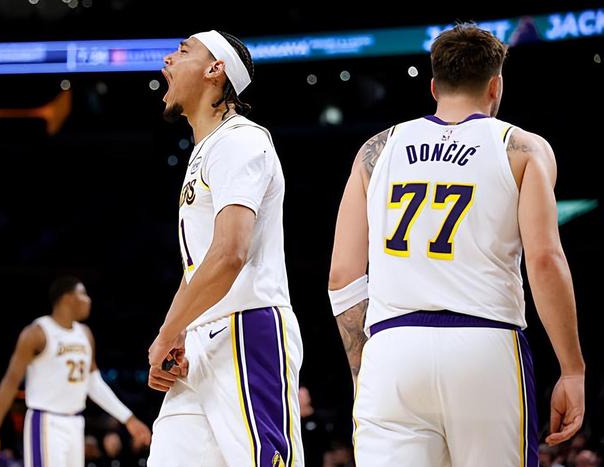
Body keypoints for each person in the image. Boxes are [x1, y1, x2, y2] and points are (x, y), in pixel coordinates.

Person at [328, 23, 585, 466]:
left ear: (433, 86)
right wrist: (572, 368)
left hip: (392, 349)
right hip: (484, 344)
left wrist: (363, 369)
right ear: (495, 85)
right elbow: (544, 260)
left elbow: (342, 275)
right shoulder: (522, 148)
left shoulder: (377, 149)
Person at [147, 30, 304, 466]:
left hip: (246, 328)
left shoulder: (240, 140)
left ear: (215, 70)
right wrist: (176, 330)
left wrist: (166, 333)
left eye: (182, 51)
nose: (167, 59)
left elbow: (229, 253)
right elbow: (198, 266)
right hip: (202, 341)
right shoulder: (207, 148)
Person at [0, 276, 151, 467]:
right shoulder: (37, 333)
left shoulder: (85, 334)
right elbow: (10, 381)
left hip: (75, 422)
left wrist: (128, 418)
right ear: (67, 298)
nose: (88, 300)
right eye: (83, 294)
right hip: (45, 422)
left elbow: (94, 384)